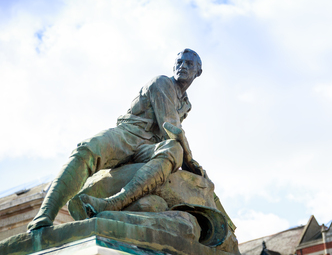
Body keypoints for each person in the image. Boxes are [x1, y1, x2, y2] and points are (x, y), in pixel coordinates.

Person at [27, 48, 203, 231]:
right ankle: (44, 216)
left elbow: (172, 134)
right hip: (128, 134)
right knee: (86, 150)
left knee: (174, 149)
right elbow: (171, 126)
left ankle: (112, 203)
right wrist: (189, 160)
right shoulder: (162, 82)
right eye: (179, 62)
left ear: (198, 71)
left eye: (189, 64)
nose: (182, 66)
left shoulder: (186, 104)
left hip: (149, 147)